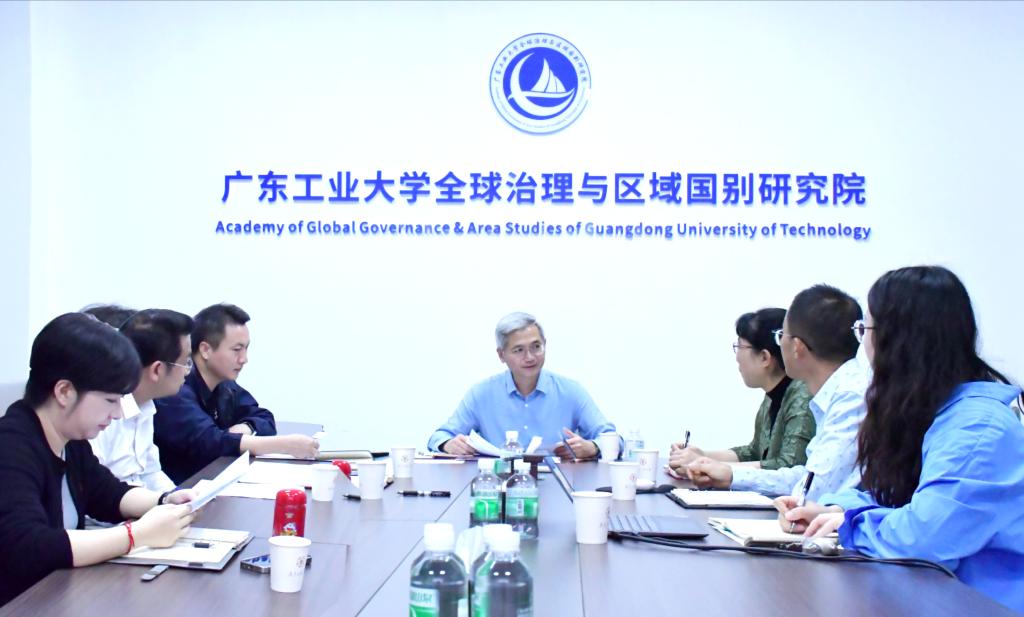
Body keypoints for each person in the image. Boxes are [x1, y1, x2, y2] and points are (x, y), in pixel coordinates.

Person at [776, 266, 1024, 613]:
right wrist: (836, 509)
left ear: (899, 341)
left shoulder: (978, 429)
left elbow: (924, 538)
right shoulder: (935, 409)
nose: (862, 344)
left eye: (864, 329)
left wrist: (850, 525)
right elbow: (895, 497)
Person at [0, 314, 196, 607]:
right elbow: (28, 546)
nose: (116, 414)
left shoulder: (71, 440)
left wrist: (165, 501)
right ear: (64, 392)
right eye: (110, 401)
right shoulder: (11, 446)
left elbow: (107, 493)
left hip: (57, 596)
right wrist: (136, 535)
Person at [686, 285, 868, 502]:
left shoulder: (850, 397)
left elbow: (812, 491)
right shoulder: (838, 392)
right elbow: (807, 477)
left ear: (797, 347)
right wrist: (731, 475)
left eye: (782, 335)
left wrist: (729, 472)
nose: (779, 343)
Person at [154, 304, 318, 483]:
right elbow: (209, 442)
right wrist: (284, 445)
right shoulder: (175, 387)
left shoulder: (225, 385)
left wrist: (246, 427)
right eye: (236, 350)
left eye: (246, 349)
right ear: (205, 350)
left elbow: (264, 417)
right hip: (181, 489)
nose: (244, 359)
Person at [427, 312, 616, 459]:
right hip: (498, 487)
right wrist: (448, 444)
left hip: (558, 485)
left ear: (545, 345)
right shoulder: (482, 394)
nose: (530, 357)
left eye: (536, 347)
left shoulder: (570, 392)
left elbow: (612, 439)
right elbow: (439, 437)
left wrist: (592, 447)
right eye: (519, 350)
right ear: (501, 355)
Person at [669, 308, 815, 473]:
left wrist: (707, 466)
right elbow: (754, 453)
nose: (737, 357)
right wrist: (701, 456)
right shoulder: (772, 397)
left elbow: (789, 466)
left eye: (739, 346)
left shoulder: (803, 396)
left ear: (765, 357)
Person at [83, 305, 192, 492]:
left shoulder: (146, 404)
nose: (188, 371)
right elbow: (93, 492)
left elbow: (150, 473)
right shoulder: (102, 412)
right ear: (157, 369)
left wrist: (178, 497)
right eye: (185, 362)